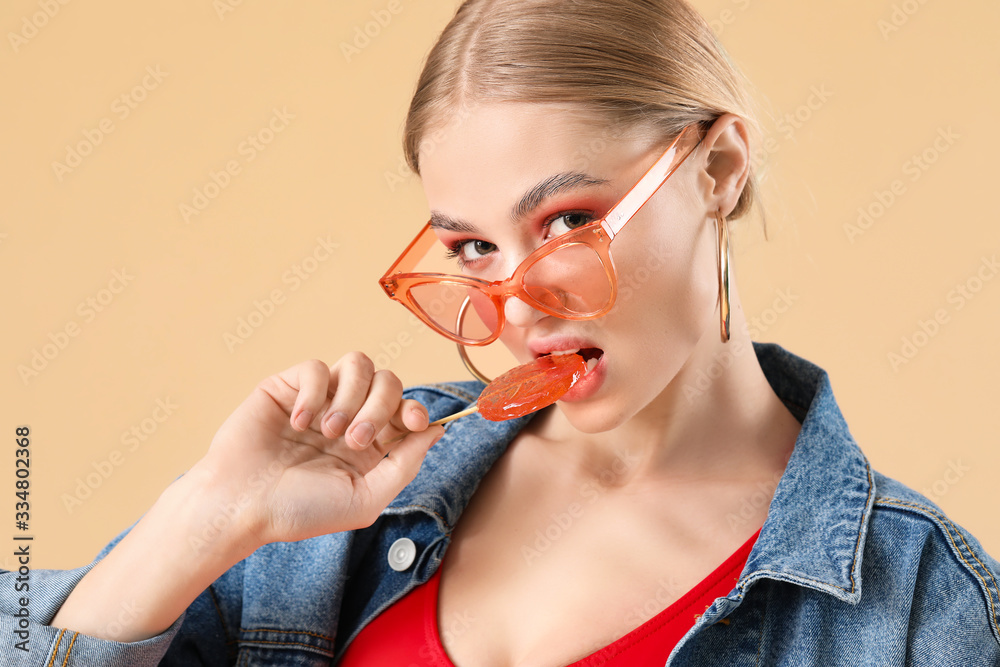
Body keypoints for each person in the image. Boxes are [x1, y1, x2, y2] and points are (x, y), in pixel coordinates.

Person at [3, 0, 999, 665]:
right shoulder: (334, 507)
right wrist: (207, 517)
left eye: (567, 222)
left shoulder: (916, 604)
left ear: (717, 168)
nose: (518, 307)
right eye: (473, 248)